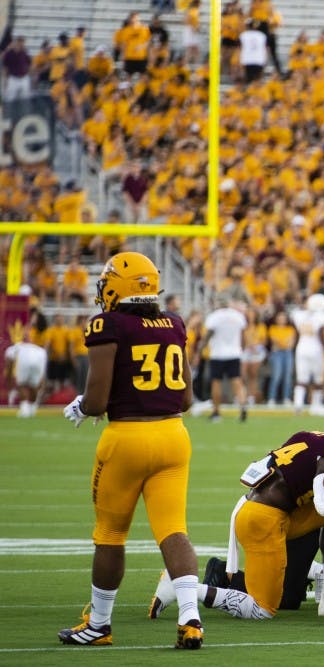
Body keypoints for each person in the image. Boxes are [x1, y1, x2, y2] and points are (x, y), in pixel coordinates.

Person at [58, 252, 204, 648]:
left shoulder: (108, 324)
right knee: (174, 530)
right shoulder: (173, 323)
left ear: (117, 286)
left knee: (110, 534)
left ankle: (100, 624)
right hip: (174, 436)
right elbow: (187, 397)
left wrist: (81, 405)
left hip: (127, 438)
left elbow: (98, 400)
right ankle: (191, 618)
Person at [151, 426, 324, 619]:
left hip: (256, 509)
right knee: (262, 609)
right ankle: (184, 587)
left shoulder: (313, 436)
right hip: (264, 520)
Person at [203, 299, 249, 422]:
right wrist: (241, 349)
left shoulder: (214, 317)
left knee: (216, 383)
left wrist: (201, 349)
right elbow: (244, 336)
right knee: (237, 382)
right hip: (234, 353)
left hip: (217, 354)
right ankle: (243, 407)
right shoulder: (238, 316)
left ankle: (216, 411)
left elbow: (208, 334)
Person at [4, 322, 47, 417]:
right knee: (33, 386)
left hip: (26, 360)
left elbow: (9, 366)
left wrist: (9, 381)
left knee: (22, 385)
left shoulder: (14, 348)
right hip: (38, 358)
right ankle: (31, 409)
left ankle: (24, 409)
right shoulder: (39, 350)